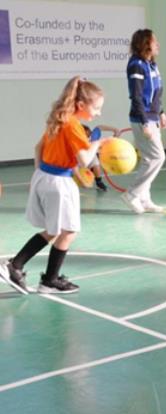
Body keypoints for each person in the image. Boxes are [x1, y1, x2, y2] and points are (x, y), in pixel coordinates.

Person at [0, 77, 107, 294]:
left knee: (54, 229)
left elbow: (38, 147)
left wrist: (38, 175)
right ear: (81, 105)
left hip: (45, 176)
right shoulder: (73, 125)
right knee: (69, 230)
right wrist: (98, 142)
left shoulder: (58, 120)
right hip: (58, 182)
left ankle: (36, 274)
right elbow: (85, 160)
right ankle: (25, 270)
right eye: (96, 108)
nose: (98, 113)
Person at [121, 28, 166, 214]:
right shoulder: (136, 65)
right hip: (143, 118)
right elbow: (137, 96)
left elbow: (156, 92)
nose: (158, 45)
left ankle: (144, 199)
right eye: (154, 41)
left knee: (149, 158)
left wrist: (161, 112)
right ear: (145, 44)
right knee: (158, 157)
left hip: (153, 116)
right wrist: (145, 122)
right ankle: (131, 194)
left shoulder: (152, 65)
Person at [82, 124, 123, 192]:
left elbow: (99, 127)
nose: (88, 134)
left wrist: (114, 130)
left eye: (89, 133)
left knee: (96, 165)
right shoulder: (78, 139)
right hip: (79, 155)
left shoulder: (93, 136)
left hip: (91, 154)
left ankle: (99, 182)